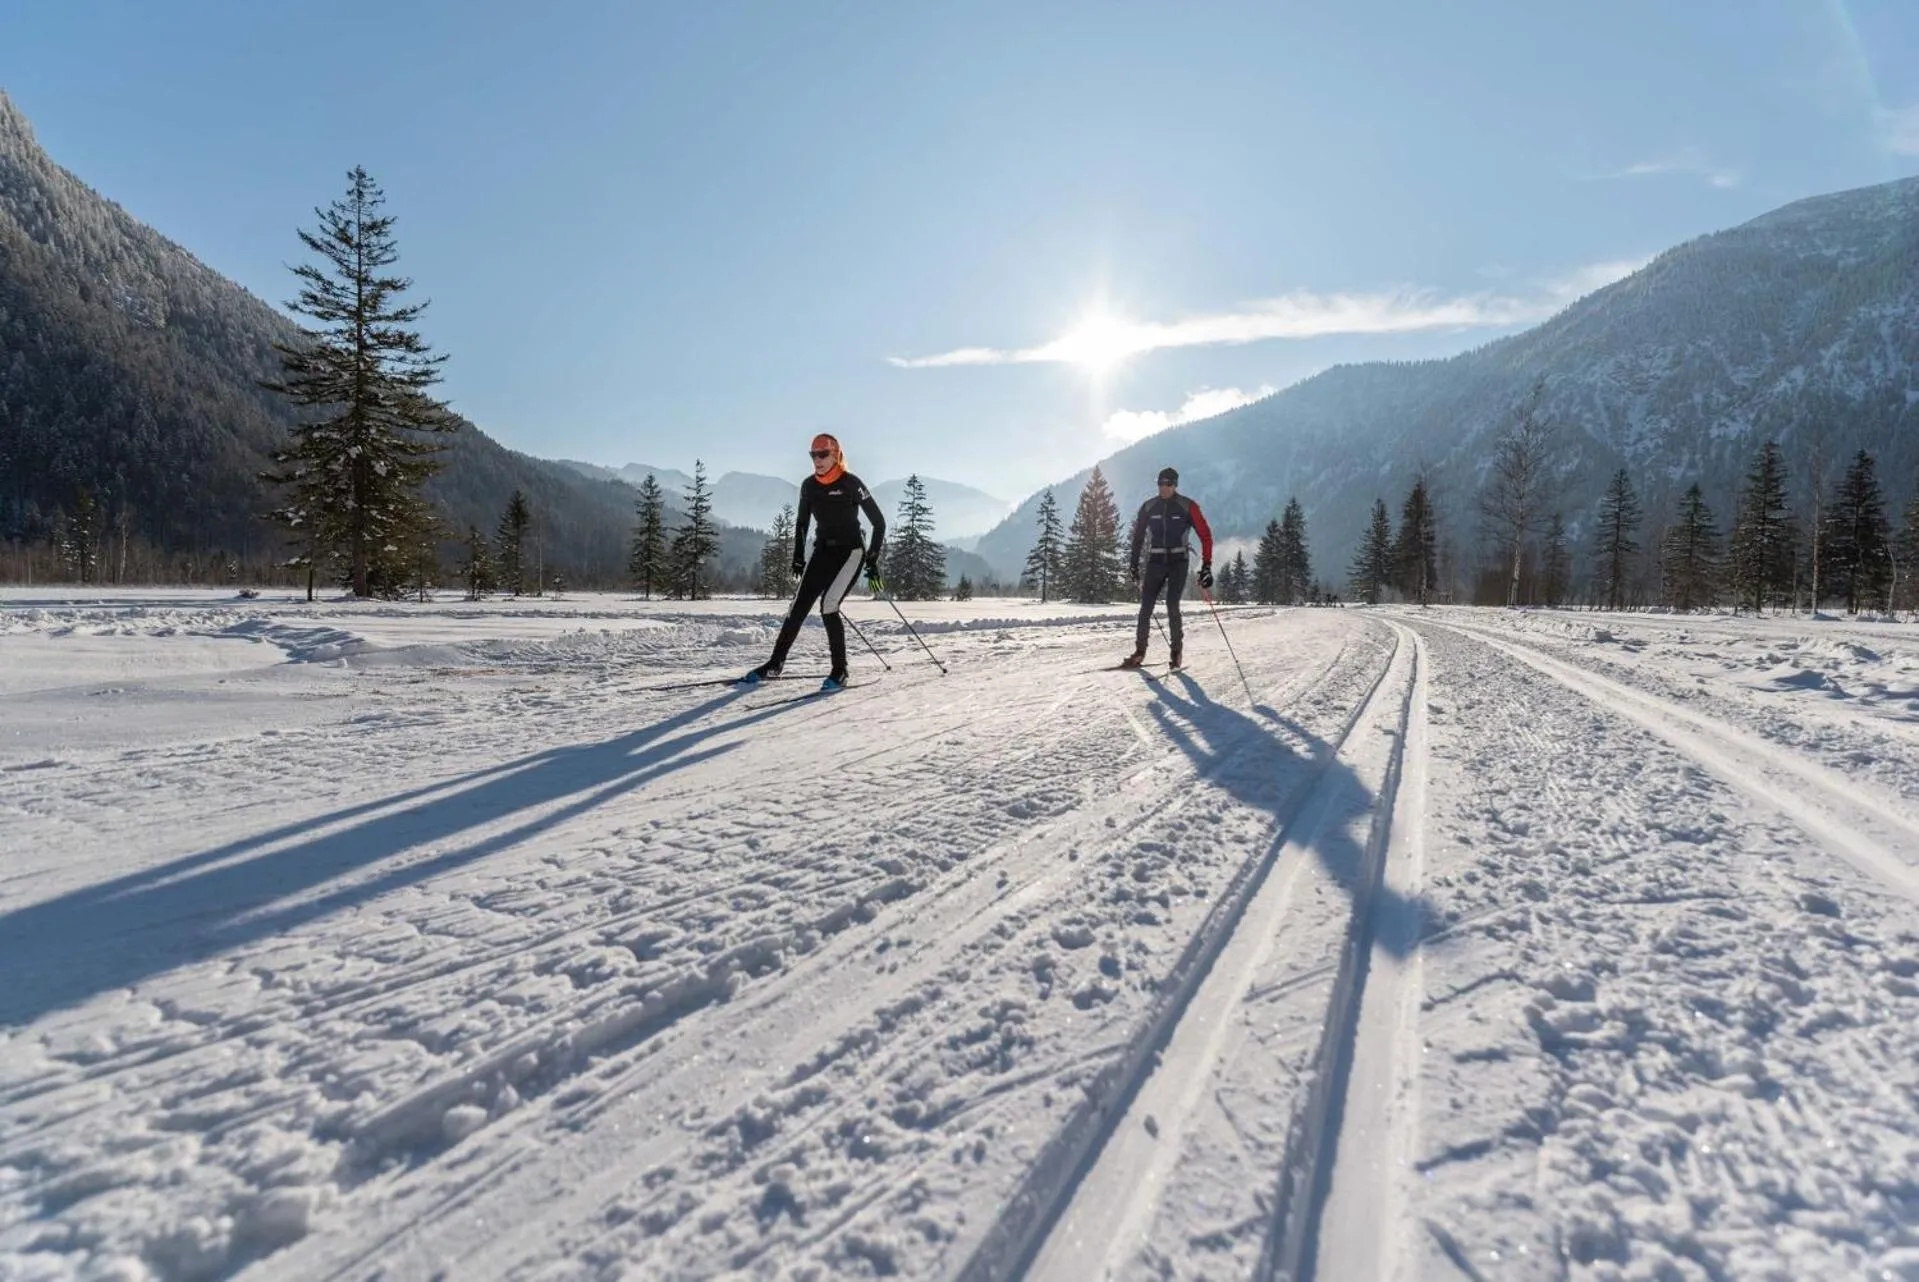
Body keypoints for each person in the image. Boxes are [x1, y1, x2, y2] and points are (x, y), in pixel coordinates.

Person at [741, 433, 886, 692]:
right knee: (797, 607)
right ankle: (775, 664)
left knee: (828, 605)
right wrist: (798, 557)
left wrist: (872, 558)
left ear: (836, 455)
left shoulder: (852, 484)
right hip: (822, 552)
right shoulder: (809, 486)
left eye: (823, 454)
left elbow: (879, 522)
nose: (817, 460)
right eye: (813, 455)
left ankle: (840, 670)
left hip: (851, 552)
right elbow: (802, 524)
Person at [1123, 466, 1213, 669]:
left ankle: (1176, 652)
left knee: (1172, 605)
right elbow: (1137, 538)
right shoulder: (1148, 507)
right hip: (1155, 561)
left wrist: (1206, 565)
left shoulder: (1188, 506)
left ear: (1175, 485)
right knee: (1145, 607)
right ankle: (1139, 653)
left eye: (1168, 484)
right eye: (1160, 483)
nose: (1163, 487)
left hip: (1178, 562)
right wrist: (1133, 565)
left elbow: (1205, 535)